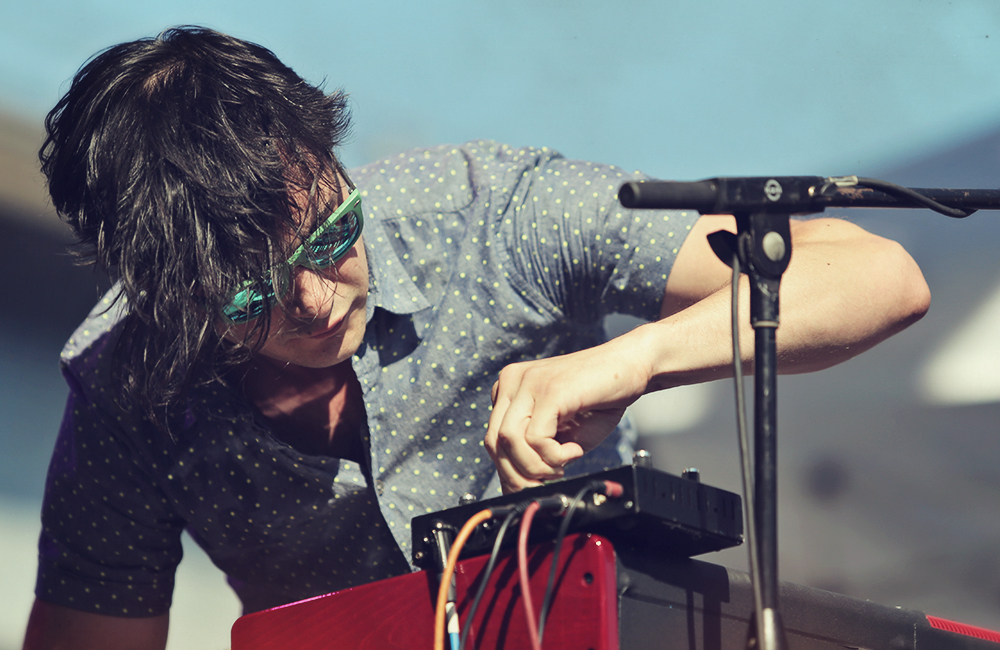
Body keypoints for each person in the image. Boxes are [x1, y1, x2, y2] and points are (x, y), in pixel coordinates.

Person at [22, 26, 930, 650]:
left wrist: (633, 359)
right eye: (250, 293)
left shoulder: (492, 213)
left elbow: (878, 278)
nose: (313, 298)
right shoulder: (121, 384)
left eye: (332, 237)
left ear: (332, 155)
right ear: (163, 297)